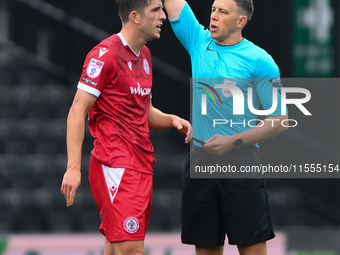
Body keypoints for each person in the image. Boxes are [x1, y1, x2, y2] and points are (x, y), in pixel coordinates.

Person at [60, 0, 193, 254]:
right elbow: (77, 111)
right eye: (156, 10)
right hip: (115, 166)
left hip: (141, 166)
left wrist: (171, 119)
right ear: (135, 17)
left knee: (116, 249)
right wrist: (73, 169)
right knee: (131, 249)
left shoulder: (144, 55)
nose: (163, 16)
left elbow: (144, 111)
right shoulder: (105, 54)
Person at [164, 0, 288, 254]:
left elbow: (280, 119)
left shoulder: (260, 60)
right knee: (207, 250)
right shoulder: (198, 40)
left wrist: (234, 141)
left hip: (241, 162)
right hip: (201, 161)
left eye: (223, 11)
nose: (214, 16)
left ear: (241, 21)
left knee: (252, 250)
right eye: (213, 10)